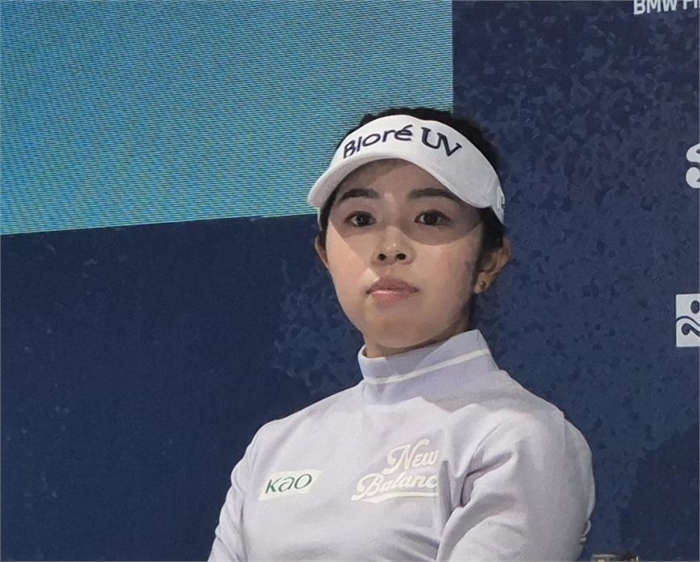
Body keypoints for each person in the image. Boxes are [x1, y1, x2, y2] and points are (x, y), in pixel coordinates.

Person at [208, 107, 595, 561]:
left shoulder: (519, 437)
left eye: (430, 217)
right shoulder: (274, 447)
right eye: (360, 218)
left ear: (489, 261)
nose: (390, 247)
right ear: (325, 255)